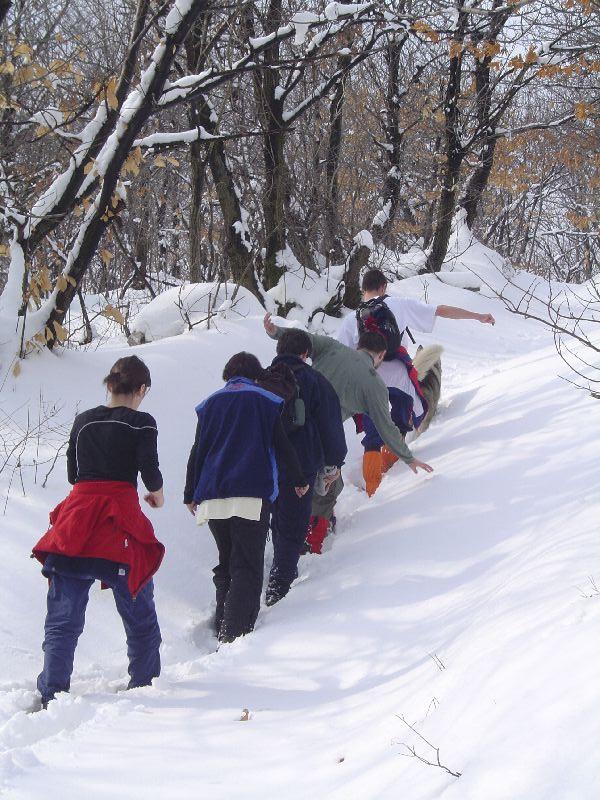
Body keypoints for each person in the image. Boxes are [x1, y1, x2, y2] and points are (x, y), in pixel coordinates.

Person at [32, 356, 165, 708]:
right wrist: (157, 494)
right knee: (138, 611)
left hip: (75, 524)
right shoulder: (142, 423)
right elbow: (150, 470)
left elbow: (73, 475)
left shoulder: (83, 421)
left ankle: (52, 694)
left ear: (109, 384)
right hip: (118, 526)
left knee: (63, 620)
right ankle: (144, 685)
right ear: (141, 389)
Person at [264, 315, 433, 553]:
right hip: (319, 441)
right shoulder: (374, 384)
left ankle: (292, 531)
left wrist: (275, 331)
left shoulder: (332, 347)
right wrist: (409, 458)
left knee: (295, 485)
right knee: (329, 486)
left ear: (358, 346)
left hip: (285, 425)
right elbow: (386, 428)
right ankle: (311, 541)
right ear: (381, 355)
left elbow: (302, 339)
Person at [183, 352, 308, 643]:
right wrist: (299, 480)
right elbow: (281, 445)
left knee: (226, 562)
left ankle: (222, 623)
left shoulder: (209, 404)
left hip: (212, 496)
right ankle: (234, 635)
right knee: (247, 566)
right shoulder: (265, 400)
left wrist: (190, 493)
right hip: (251, 494)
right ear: (256, 375)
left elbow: (197, 450)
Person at [337, 268, 496, 495]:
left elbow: (342, 358)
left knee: (372, 433)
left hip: (369, 378)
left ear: (363, 290)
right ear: (384, 287)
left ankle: (373, 489)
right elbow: (441, 310)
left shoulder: (351, 320)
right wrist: (478, 316)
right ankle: (390, 465)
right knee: (403, 420)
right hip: (399, 376)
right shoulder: (398, 305)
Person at [263, 329, 347, 605]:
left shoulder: (262, 379)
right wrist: (334, 462)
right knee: (294, 522)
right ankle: (280, 583)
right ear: (305, 354)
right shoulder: (315, 381)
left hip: (264, 464)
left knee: (277, 516)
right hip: (300, 464)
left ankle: (278, 569)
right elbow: (330, 425)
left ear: (279, 351)